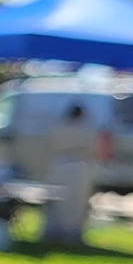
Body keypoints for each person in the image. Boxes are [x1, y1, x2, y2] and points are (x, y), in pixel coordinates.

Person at [42, 102, 96, 247]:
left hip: (60, 164)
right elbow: (91, 149)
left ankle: (59, 230)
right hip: (77, 165)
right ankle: (70, 231)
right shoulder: (85, 130)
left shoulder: (58, 128)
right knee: (73, 201)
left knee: (61, 201)